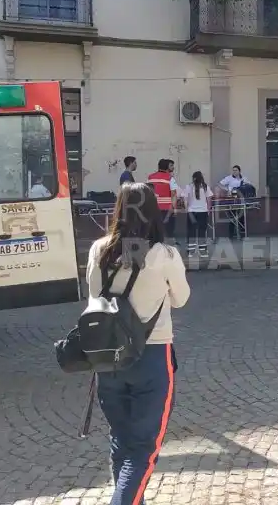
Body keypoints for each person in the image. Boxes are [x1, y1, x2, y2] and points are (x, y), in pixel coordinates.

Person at [86, 182, 190, 505]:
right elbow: (182, 298)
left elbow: (92, 293)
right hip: (152, 357)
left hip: (108, 359)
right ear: (152, 212)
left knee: (122, 441)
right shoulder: (164, 255)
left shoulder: (99, 249)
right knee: (143, 450)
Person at [148, 159, 181, 243]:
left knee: (155, 231)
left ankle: (155, 248)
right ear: (166, 167)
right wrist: (175, 209)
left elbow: (148, 193)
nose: (173, 167)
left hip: (153, 209)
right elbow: (173, 195)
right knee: (168, 231)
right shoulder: (170, 178)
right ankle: (168, 250)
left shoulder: (150, 177)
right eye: (171, 165)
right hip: (167, 209)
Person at [184, 171, 213, 256]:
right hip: (203, 212)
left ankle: (191, 251)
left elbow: (185, 200)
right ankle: (203, 251)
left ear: (193, 178)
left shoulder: (188, 186)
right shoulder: (205, 187)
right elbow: (209, 200)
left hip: (191, 212)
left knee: (191, 231)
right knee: (202, 231)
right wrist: (208, 210)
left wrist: (187, 209)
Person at [219, 165, 246, 238]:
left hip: (240, 199)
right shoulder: (229, 178)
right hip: (232, 199)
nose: (234, 172)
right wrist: (227, 190)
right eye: (233, 170)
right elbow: (220, 184)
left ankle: (242, 232)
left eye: (236, 170)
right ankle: (231, 234)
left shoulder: (243, 178)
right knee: (232, 216)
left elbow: (247, 185)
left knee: (242, 216)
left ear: (239, 171)